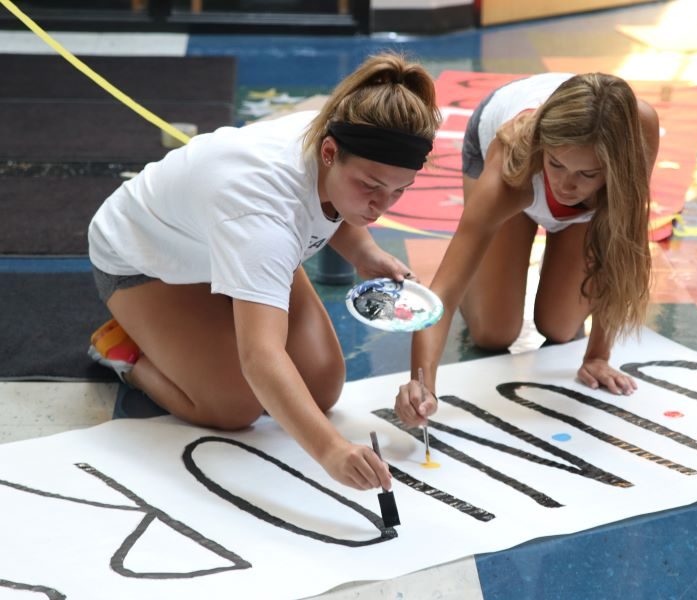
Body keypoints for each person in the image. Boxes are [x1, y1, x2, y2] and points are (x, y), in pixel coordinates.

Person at [87, 52, 442, 491]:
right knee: (231, 406)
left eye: (397, 191)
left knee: (323, 386)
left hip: (229, 243)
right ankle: (125, 350)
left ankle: (191, 333)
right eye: (371, 186)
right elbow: (261, 357)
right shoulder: (264, 214)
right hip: (149, 262)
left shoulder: (336, 132)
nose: (381, 206)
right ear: (329, 152)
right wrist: (331, 450)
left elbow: (332, 205)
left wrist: (364, 252)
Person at [394, 71, 660, 427]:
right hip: (517, 173)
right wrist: (422, 384)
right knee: (493, 333)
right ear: (543, 147)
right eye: (557, 164)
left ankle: (573, 193)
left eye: (587, 173)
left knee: (560, 328)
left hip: (578, 192)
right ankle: (529, 205)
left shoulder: (638, 129)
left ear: (615, 166)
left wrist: (598, 353)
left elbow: (623, 243)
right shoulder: (509, 165)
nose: (566, 184)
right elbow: (444, 290)